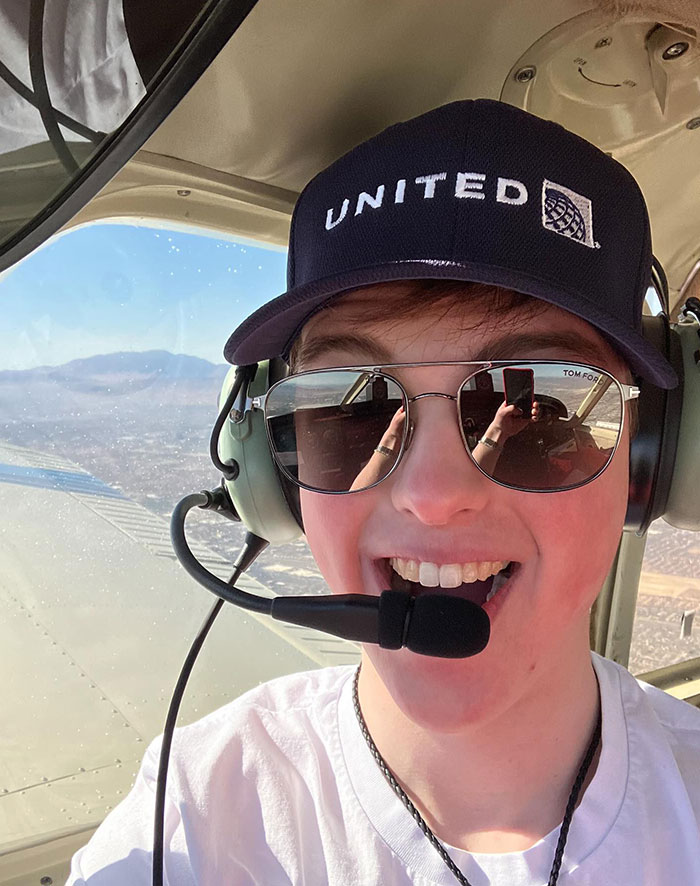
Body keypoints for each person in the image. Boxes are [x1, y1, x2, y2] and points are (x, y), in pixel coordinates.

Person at [67, 99, 700, 885]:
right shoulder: (195, 817)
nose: (433, 495)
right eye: (350, 409)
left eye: (547, 405)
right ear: (271, 465)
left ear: (655, 459)